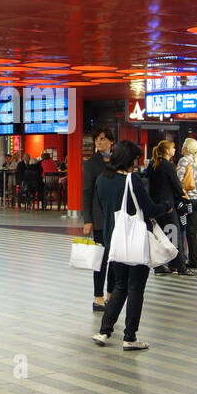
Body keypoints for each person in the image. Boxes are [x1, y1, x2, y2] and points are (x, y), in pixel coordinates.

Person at [92, 139, 169, 351]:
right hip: (134, 242)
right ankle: (130, 337)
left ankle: (104, 331)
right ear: (128, 159)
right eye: (135, 159)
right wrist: (168, 206)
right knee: (136, 289)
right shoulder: (131, 180)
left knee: (119, 287)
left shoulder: (101, 180)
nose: (137, 163)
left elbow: (103, 206)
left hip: (115, 239)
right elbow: (149, 209)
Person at [81, 127, 115, 311]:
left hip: (118, 217)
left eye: (102, 139)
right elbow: (86, 192)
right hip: (100, 218)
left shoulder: (119, 160)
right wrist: (87, 219)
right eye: (97, 140)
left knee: (116, 258)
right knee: (101, 259)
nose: (99, 142)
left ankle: (111, 294)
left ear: (111, 141)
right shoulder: (91, 163)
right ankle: (98, 297)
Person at [148, 139, 190, 277]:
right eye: (172, 148)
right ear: (167, 151)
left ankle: (159, 266)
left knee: (159, 236)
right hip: (168, 206)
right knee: (173, 235)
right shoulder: (168, 166)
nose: (174, 150)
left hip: (155, 205)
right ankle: (179, 267)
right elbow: (176, 185)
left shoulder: (152, 165)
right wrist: (183, 198)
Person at [175, 137, 197, 271]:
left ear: (185, 148)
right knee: (192, 231)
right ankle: (194, 259)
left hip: (187, 199)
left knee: (182, 229)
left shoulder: (184, 160)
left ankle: (182, 258)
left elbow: (178, 180)